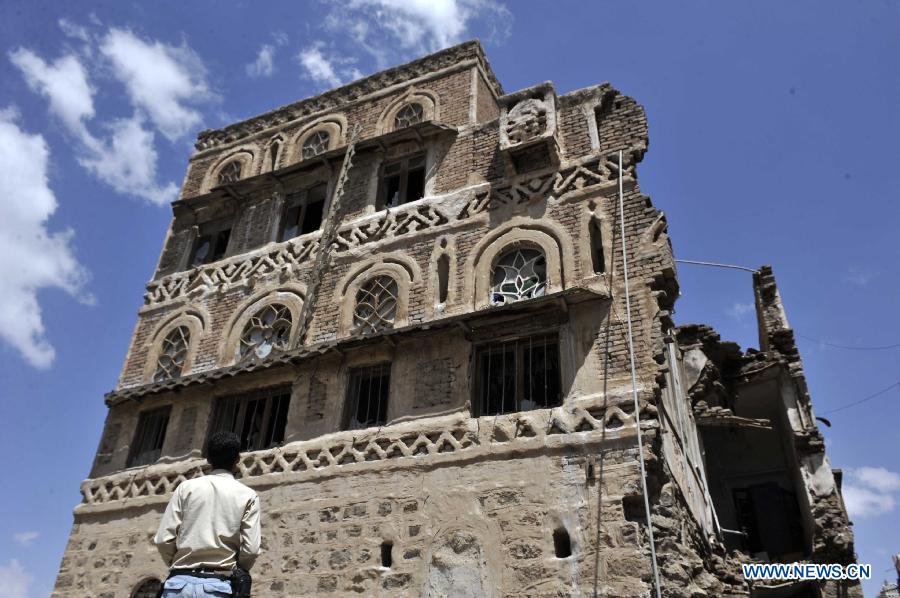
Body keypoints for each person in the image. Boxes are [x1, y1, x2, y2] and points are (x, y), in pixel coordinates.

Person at [154, 431, 261, 596]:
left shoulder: (185, 488)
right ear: (237, 459)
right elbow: (251, 549)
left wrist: (179, 565)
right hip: (218, 587)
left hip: (178, 585)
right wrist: (237, 569)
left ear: (209, 459)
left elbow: (163, 540)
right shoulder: (248, 495)